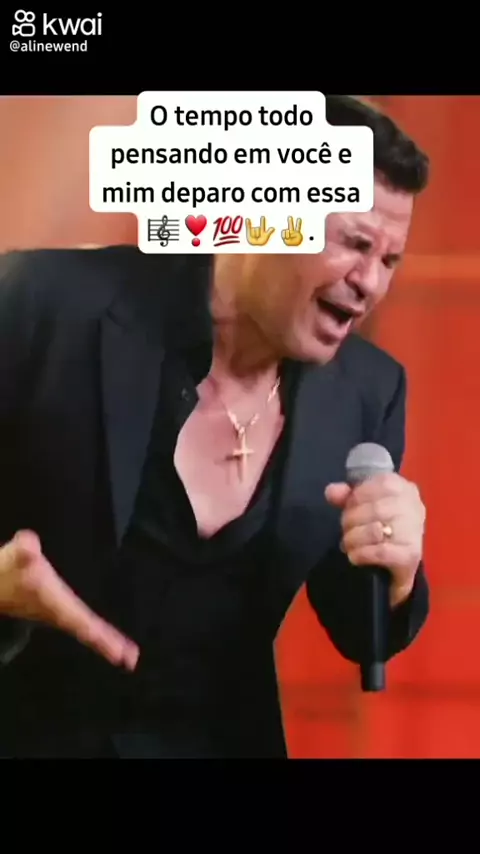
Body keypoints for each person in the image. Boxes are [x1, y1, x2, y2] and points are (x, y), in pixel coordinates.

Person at [0, 95, 430, 758]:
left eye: (390, 260)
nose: (371, 282)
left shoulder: (368, 392)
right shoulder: (45, 303)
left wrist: (396, 572)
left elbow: (357, 625)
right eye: (355, 243)